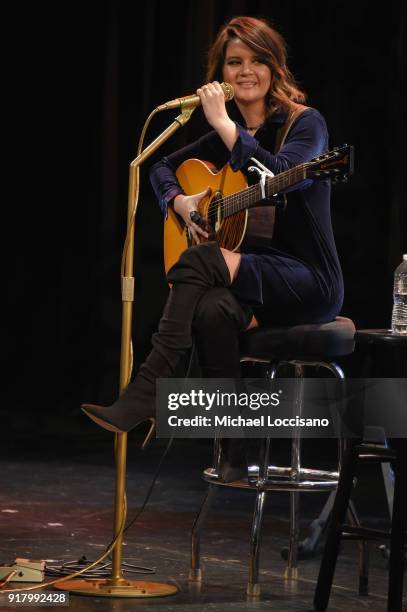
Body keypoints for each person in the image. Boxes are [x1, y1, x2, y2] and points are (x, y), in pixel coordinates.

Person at [81, 16, 344, 448]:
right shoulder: (226, 136)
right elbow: (161, 167)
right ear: (219, 76)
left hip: (309, 281)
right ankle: (234, 451)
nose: (246, 71)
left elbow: (281, 175)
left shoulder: (304, 123)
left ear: (275, 67)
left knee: (199, 259)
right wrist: (179, 203)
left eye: (258, 60)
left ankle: (147, 391)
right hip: (256, 280)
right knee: (211, 311)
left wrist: (223, 124)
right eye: (234, 62)